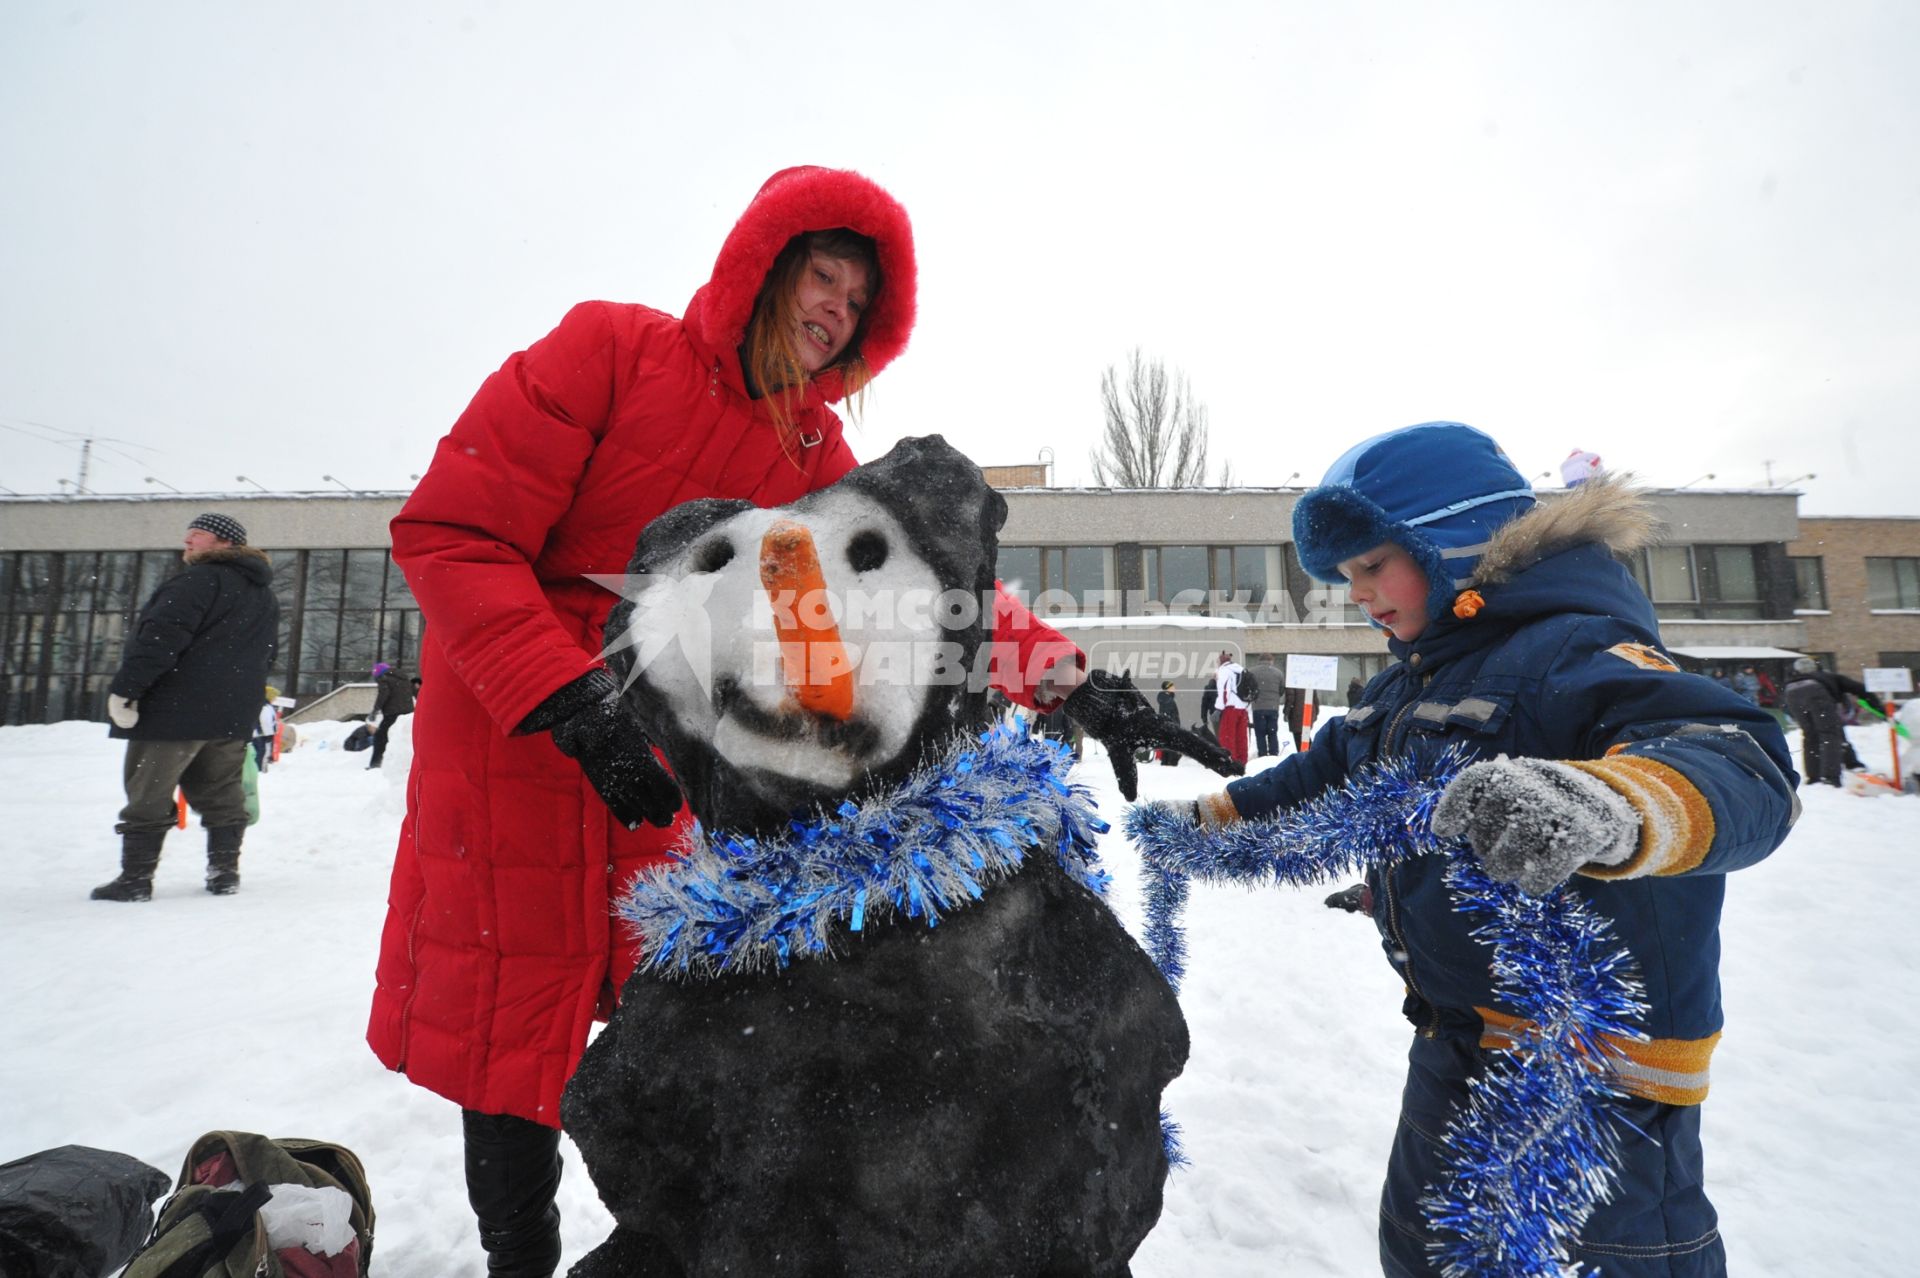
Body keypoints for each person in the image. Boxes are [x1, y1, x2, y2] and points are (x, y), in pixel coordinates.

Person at [365, 166, 1231, 1278]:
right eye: (822, 278)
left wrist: (1069, 679)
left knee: (682, 1029)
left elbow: (930, 601)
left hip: (671, 771)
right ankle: (518, 1256)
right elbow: (452, 532)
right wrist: (562, 696)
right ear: (762, 271)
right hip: (521, 747)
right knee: (509, 1026)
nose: (834, 311)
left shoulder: (818, 459)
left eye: (858, 304)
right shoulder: (610, 353)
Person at [1172, 422, 1796, 1275]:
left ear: (1452, 544)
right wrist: (1198, 821)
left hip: (1584, 1078)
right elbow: (1323, 773)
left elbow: (1736, 756)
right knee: (1424, 1255)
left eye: (1372, 565)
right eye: (1345, 575)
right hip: (1453, 1042)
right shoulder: (1417, 679)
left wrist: (1607, 803)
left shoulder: (1570, 650)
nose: (1357, 593)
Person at [93, 513, 279, 902]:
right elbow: (268, 654)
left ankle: (136, 879)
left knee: (149, 793)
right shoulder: (261, 593)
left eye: (197, 535)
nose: (187, 542)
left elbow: (159, 639)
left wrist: (127, 689)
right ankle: (224, 872)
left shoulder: (197, 581)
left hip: (175, 712)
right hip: (230, 714)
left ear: (226, 542)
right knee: (222, 793)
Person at [1782, 655, 1869, 786]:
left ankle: (1814, 776)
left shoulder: (1791, 681)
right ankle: (1831, 777)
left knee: (1811, 737)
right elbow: (1859, 688)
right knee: (1830, 735)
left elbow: (1784, 704)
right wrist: (1879, 707)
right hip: (1821, 702)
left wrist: (1791, 714)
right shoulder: (1825, 676)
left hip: (1796, 700)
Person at [365, 661, 415, 769]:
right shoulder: (402, 677)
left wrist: (375, 710)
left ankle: (376, 763)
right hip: (407, 712)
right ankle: (403, 763)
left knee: (380, 737)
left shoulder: (383, 677)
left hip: (393, 712)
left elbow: (383, 694)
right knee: (400, 736)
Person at [1213, 650, 1251, 765]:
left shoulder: (1224, 671)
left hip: (1230, 708)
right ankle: (1242, 760)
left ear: (1220, 661)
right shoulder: (1241, 669)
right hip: (1243, 708)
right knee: (1241, 736)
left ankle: (1229, 760)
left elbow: (1224, 692)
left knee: (1227, 736)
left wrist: (1219, 709)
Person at [1248, 656, 1284, 757]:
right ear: (1271, 661)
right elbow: (1281, 690)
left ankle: (1262, 754)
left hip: (1258, 707)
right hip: (1273, 708)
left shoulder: (1252, 672)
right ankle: (1273, 753)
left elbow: (1248, 689)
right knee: (1272, 732)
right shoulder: (1278, 673)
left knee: (1260, 733)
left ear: (1259, 661)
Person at [1156, 680, 1183, 765]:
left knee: (1168, 744)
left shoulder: (1167, 698)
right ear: (1168, 688)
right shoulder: (1167, 700)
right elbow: (1168, 714)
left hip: (1168, 725)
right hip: (1170, 726)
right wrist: (1174, 725)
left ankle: (1166, 761)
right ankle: (1170, 761)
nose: (1174, 688)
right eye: (1172, 686)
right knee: (1171, 745)